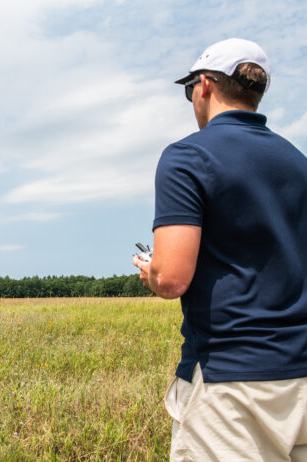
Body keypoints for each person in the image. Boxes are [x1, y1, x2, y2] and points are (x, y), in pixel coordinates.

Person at [133, 38, 307, 461]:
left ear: (205, 85)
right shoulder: (298, 161)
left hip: (229, 381)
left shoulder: (187, 157)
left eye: (189, 86)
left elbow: (173, 279)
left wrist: (152, 271)